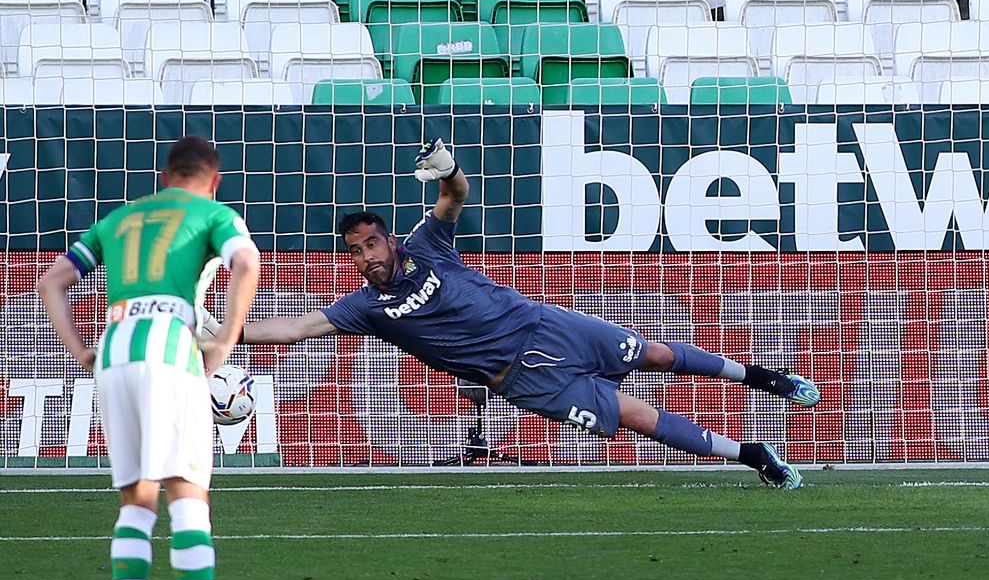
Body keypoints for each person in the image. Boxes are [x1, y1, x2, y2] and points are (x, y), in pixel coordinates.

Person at [232, 139, 818, 487]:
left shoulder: (427, 243)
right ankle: (752, 456)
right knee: (637, 417)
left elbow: (454, 195)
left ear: (388, 241)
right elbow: (297, 327)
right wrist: (227, 327)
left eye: (371, 245)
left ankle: (764, 378)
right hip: (524, 379)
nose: (365, 258)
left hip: (547, 324)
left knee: (659, 353)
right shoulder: (367, 307)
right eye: (355, 252)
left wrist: (447, 166)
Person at [36, 136, 261, 580]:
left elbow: (50, 282)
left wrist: (79, 352)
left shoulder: (120, 218)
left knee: (136, 501)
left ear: (165, 176)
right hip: (169, 353)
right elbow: (247, 265)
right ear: (214, 179)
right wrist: (226, 340)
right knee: (187, 498)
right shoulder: (213, 212)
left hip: (114, 352)